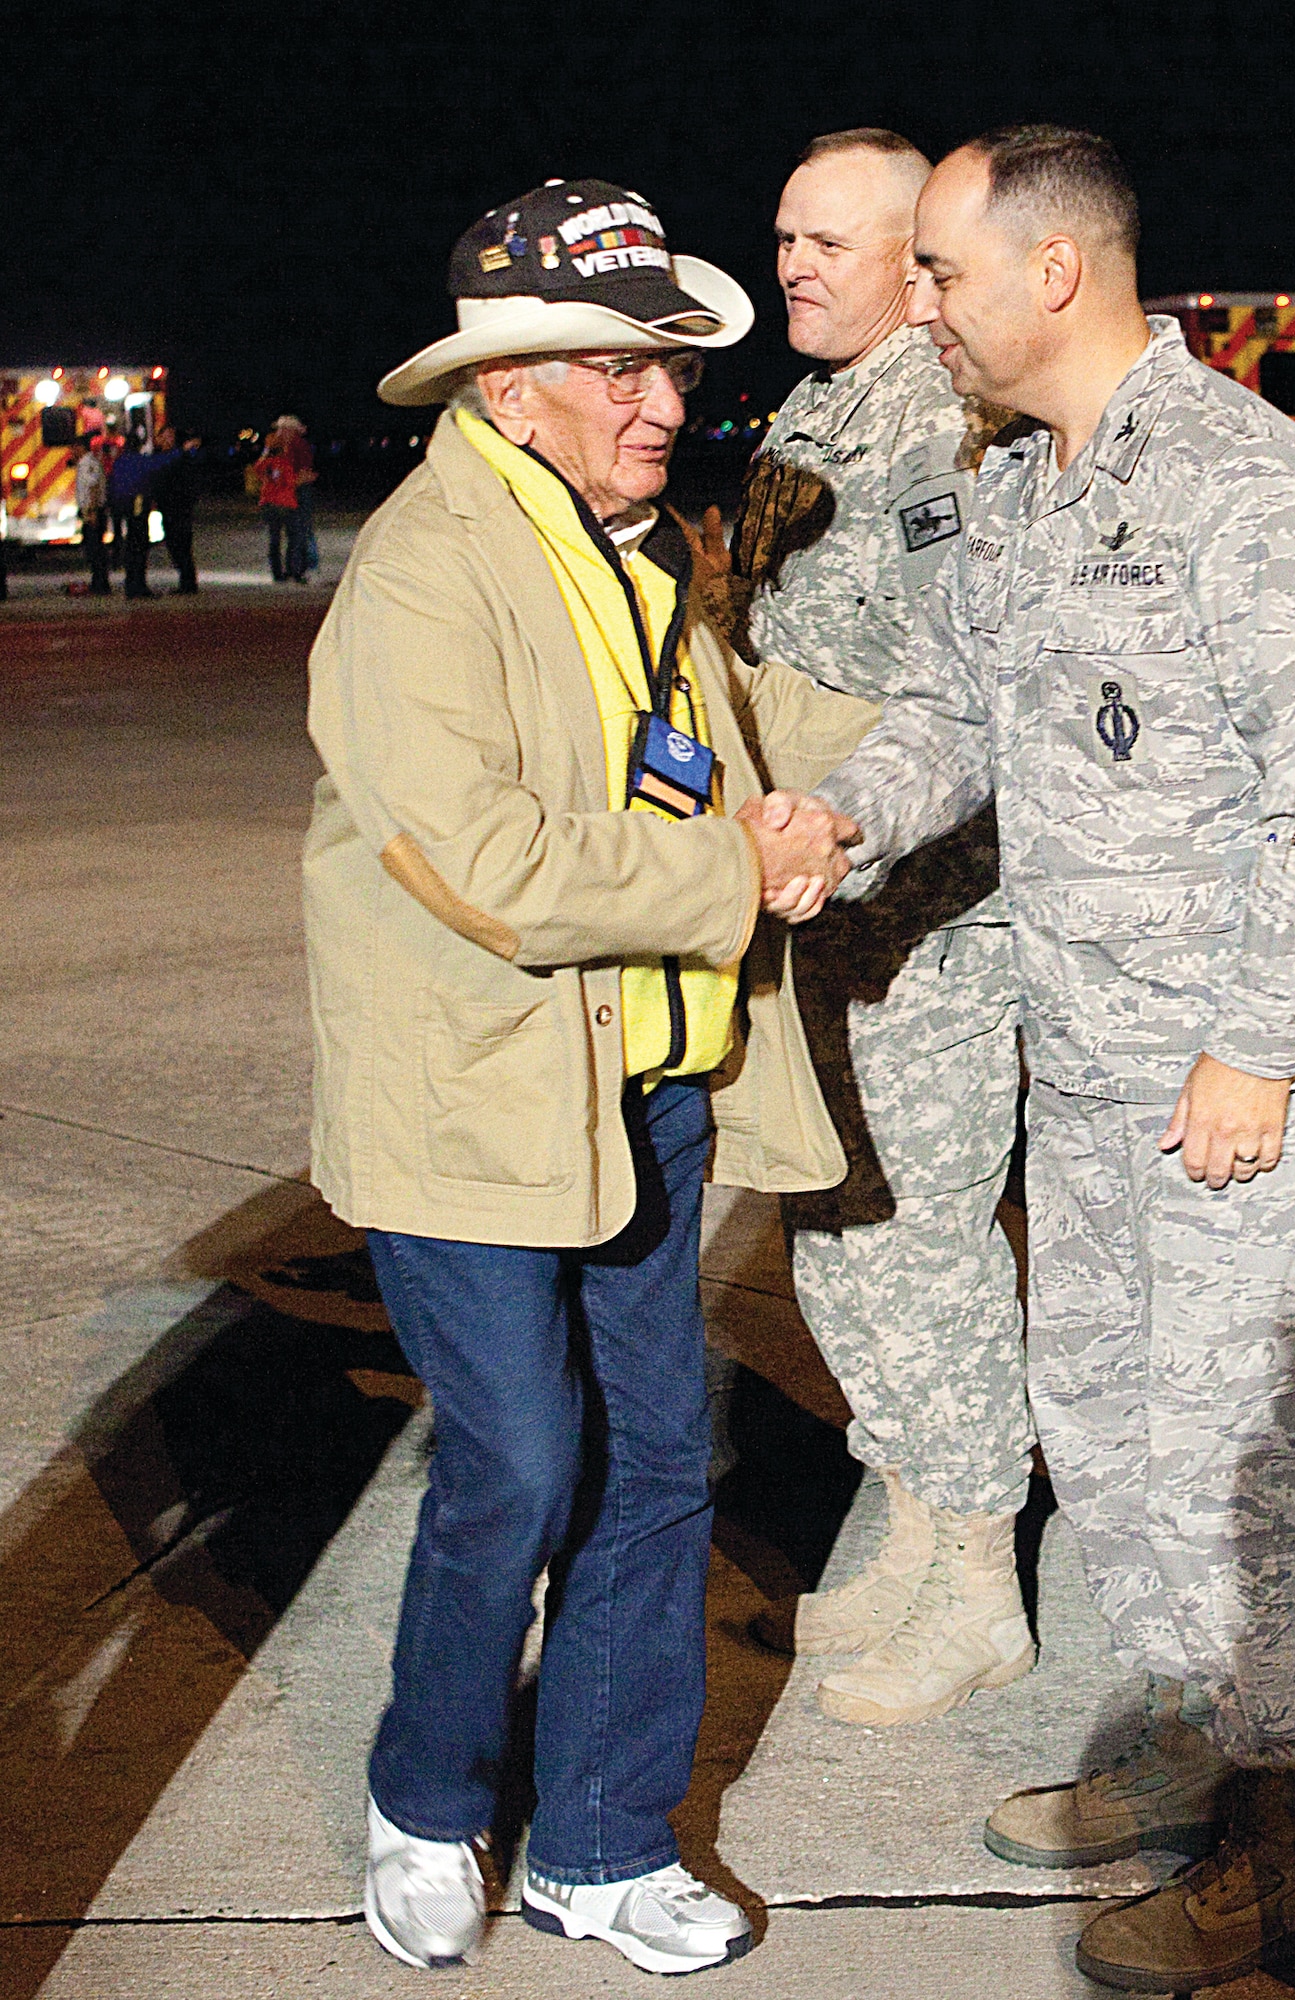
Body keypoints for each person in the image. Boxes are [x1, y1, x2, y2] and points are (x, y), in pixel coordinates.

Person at [779, 125, 1295, 1991]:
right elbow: (951, 711)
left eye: (947, 272)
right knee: (1116, 1446)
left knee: (1234, 1466)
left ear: (1052, 272)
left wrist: (1251, 1044)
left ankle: (1292, 1844)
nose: (927, 306)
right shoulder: (1015, 492)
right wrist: (842, 822)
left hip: (1229, 1096)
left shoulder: (1243, 481)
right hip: (1081, 1076)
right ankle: (1195, 1743)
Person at [304, 176, 872, 1978]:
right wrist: (741, 874)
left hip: (644, 1091)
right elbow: (478, 855)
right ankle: (427, 1798)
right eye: (615, 371)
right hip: (472, 1102)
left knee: (653, 1470)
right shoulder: (420, 576)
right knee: (521, 1464)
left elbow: (730, 737)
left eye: (664, 371)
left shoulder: (632, 560)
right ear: (505, 391)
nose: (659, 403)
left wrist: (931, 748)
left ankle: (607, 1849)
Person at [690, 128, 1031, 1727]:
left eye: (831, 244)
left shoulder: (950, 433)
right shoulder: (819, 410)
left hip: (925, 924)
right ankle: (904, 1532)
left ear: (918, 267)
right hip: (814, 908)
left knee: (924, 1245)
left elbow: (960, 694)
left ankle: (979, 1587)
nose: (793, 266)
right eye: (784, 237)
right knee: (833, 1231)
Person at [151, 425, 203, 594]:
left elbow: (192, 477)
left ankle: (188, 583)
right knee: (173, 544)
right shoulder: (161, 456)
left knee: (182, 544)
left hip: (180, 507)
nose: (168, 439)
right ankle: (186, 580)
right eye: (164, 436)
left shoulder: (182, 457)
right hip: (166, 507)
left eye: (171, 436)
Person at [107, 429, 154, 598]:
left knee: (129, 548)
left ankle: (130, 584)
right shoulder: (141, 461)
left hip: (122, 510)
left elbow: (113, 486)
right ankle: (139, 586)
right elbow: (150, 479)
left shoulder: (119, 462)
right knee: (139, 547)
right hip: (138, 509)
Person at [254, 427, 305, 581]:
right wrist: (303, 479)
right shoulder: (284, 462)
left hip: (269, 503)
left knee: (274, 539)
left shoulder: (265, 463)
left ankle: (277, 573)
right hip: (286, 503)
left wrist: (266, 451)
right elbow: (290, 482)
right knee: (294, 538)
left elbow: (257, 469)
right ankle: (293, 570)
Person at [274, 413, 319, 575]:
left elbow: (304, 471)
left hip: (299, 490)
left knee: (299, 530)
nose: (279, 432)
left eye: (282, 429)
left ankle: (299, 567)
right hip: (293, 489)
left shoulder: (298, 446)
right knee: (295, 531)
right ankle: (296, 566)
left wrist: (289, 483)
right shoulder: (282, 447)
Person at [75, 435, 110, 595]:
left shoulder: (87, 463)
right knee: (94, 549)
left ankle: (100, 584)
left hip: (93, 512)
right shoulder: (87, 462)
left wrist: (93, 511)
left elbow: (93, 486)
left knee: (95, 550)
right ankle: (99, 583)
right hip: (91, 511)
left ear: (80, 447)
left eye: (74, 447)